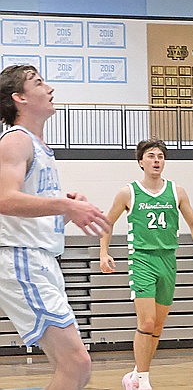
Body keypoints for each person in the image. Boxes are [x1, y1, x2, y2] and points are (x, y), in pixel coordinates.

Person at [0, 65, 110, 390]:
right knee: (75, 365)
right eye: (38, 82)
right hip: (22, 260)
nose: (50, 87)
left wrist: (66, 211)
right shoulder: (15, 141)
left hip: (41, 259)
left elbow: (27, 213)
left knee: (77, 369)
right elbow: (4, 199)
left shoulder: (39, 147)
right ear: (19, 98)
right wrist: (65, 205)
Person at [100, 139, 193, 390]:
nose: (156, 160)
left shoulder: (176, 191)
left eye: (160, 156)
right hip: (142, 259)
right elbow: (107, 222)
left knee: (158, 326)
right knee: (146, 322)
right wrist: (103, 253)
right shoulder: (128, 192)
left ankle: (136, 375)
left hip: (168, 259)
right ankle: (144, 381)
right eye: (151, 156)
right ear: (141, 161)